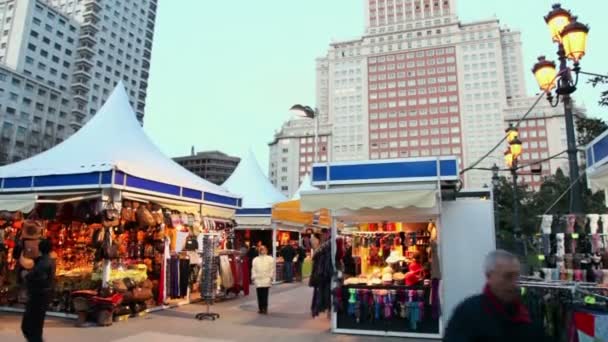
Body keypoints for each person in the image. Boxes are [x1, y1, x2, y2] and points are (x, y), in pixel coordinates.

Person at [444, 250, 546, 342]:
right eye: (508, 276)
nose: (514, 283)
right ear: (489, 276)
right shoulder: (468, 314)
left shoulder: (527, 315)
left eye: (517, 276)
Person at [22, 239, 55, 342]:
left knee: (29, 326)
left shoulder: (44, 262)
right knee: (35, 326)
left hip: (38, 297)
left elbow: (39, 277)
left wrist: (26, 275)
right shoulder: (47, 260)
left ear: (40, 248)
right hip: (41, 296)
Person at [251, 245, 274, 314]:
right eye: (261, 250)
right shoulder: (255, 259)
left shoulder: (270, 259)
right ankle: (260, 308)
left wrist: (271, 277)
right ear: (259, 251)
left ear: (266, 250)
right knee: (259, 294)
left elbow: (272, 269)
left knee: (265, 294)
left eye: (264, 249)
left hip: (266, 278)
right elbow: (253, 269)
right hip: (258, 279)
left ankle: (265, 308)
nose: (262, 251)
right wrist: (254, 277)